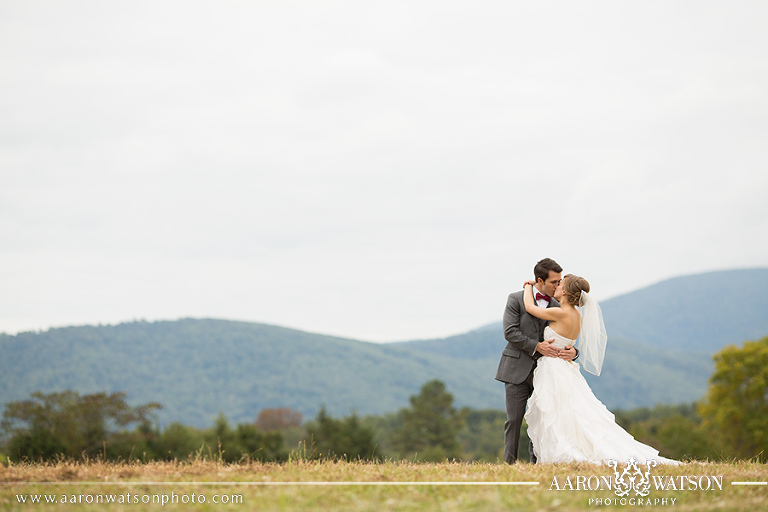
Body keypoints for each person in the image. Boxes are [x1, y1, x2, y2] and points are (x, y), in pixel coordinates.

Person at [522, 273, 679, 465]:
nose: (556, 287)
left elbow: (530, 307)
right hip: (565, 367)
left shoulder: (562, 312)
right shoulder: (577, 315)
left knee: (557, 411)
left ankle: (562, 451)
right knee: (568, 410)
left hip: (554, 368)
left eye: (560, 284)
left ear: (565, 291)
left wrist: (528, 286)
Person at [495, 258, 578, 464]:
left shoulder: (560, 304)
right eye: (554, 282)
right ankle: (510, 464)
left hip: (547, 374)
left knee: (542, 420)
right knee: (514, 420)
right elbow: (510, 332)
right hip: (516, 369)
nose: (558, 286)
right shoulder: (515, 299)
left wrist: (575, 352)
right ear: (539, 280)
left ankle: (537, 463)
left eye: (560, 282)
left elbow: (569, 335)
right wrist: (536, 346)